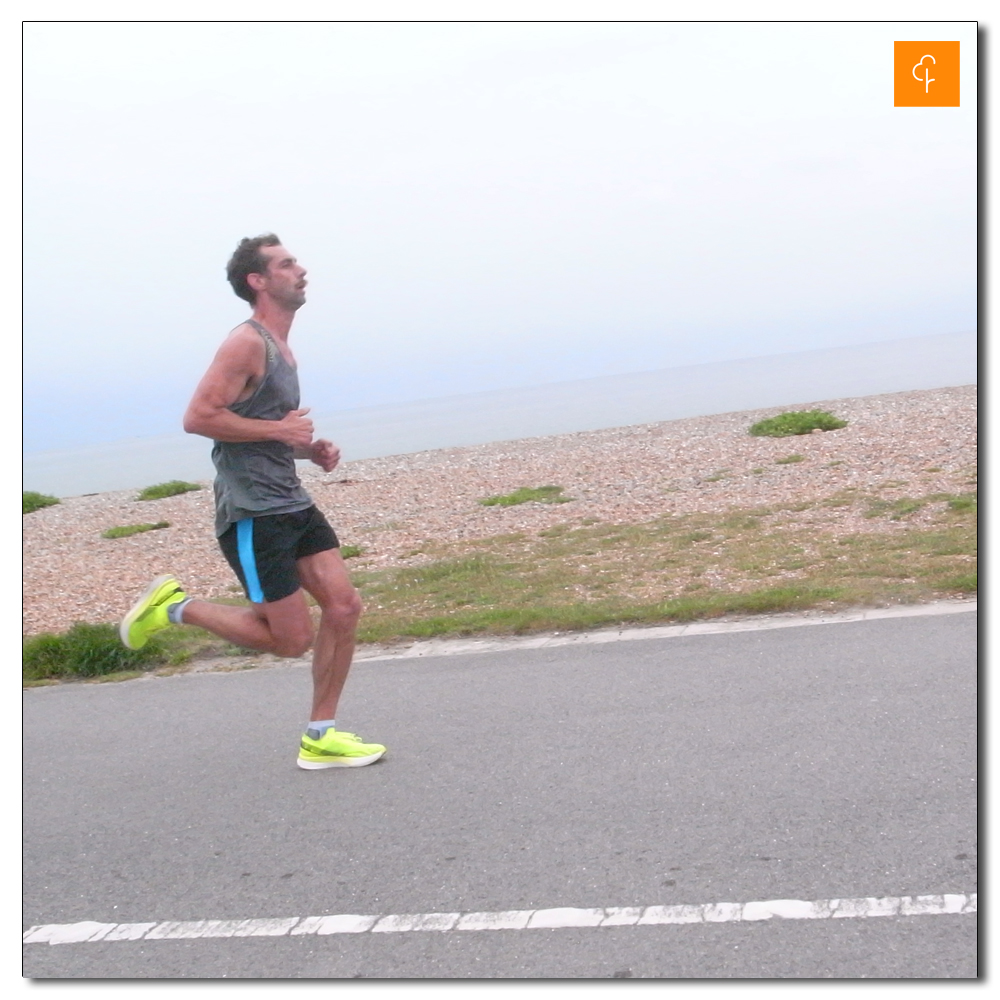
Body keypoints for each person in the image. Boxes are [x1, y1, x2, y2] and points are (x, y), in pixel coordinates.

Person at [119, 234, 385, 770]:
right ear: (257, 281)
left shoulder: (283, 349)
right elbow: (199, 418)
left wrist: (307, 449)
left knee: (344, 607)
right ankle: (174, 607)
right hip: (253, 514)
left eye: (298, 262)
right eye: (287, 264)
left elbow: (263, 430)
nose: (301, 270)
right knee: (289, 642)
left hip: (290, 500)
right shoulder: (245, 343)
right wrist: (280, 432)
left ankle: (321, 735)